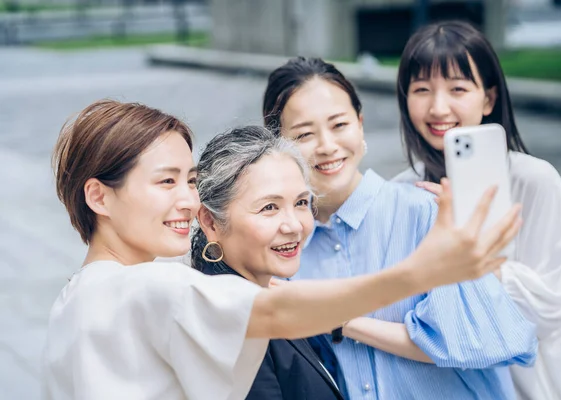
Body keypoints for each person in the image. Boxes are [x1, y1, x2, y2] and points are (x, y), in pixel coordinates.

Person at [43, 99, 520, 400]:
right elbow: (274, 314)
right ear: (98, 196)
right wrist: (419, 272)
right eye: (166, 182)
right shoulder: (149, 286)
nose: (188, 200)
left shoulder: (76, 297)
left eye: (190, 181)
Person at [263, 56, 538, 400]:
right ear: (278, 145)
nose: (327, 146)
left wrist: (338, 319)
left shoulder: (426, 214)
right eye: (304, 134)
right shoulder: (286, 252)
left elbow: (479, 341)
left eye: (339, 125)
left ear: (360, 125)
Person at [393, 20, 561, 400]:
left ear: (488, 99)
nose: (438, 107)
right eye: (421, 90)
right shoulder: (402, 191)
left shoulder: (534, 181)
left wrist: (473, 249)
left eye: (458, 89)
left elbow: (551, 311)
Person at [190, 126, 343, 400]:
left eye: (300, 202)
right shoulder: (231, 324)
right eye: (269, 207)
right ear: (210, 221)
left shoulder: (266, 297)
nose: (294, 225)